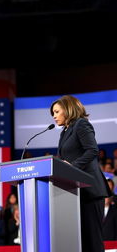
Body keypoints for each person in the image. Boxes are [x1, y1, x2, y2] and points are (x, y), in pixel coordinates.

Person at [50, 95, 111, 252]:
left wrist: (72, 167)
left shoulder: (81, 124)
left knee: (92, 239)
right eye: (53, 113)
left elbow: (92, 150)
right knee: (81, 241)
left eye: (56, 112)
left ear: (68, 109)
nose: (54, 116)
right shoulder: (64, 132)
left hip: (89, 191)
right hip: (75, 192)